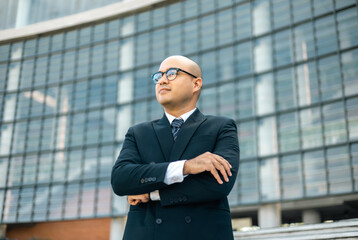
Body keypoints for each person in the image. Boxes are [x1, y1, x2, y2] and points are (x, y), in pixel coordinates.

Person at [111, 55, 240, 240]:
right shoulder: (138, 132)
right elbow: (120, 179)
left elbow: (219, 183)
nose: (162, 80)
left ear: (196, 84)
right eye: (159, 76)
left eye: (172, 74)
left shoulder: (221, 127)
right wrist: (186, 167)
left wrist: (151, 192)